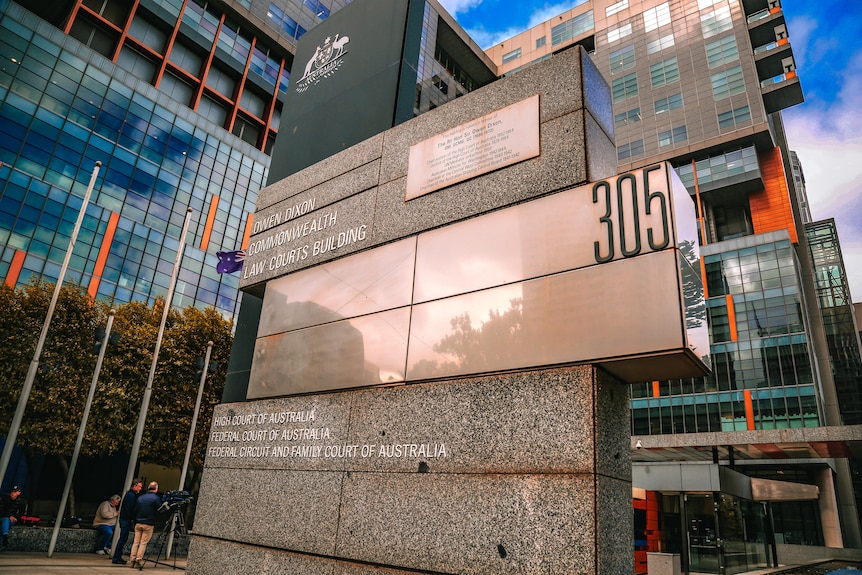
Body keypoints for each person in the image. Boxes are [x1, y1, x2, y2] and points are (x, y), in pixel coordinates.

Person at [129, 481, 160, 569]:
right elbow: (160, 509)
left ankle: (132, 559)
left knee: (136, 542)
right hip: (148, 523)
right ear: (156, 489)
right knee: (143, 543)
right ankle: (138, 559)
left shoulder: (140, 498)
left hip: (138, 522)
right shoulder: (156, 498)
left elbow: (135, 510)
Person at [112, 479, 143, 565]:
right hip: (126, 519)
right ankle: (116, 556)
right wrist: (133, 517)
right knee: (122, 538)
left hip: (125, 519)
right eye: (139, 486)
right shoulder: (131, 496)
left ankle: (117, 556)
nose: (140, 488)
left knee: (123, 538)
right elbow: (129, 509)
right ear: (135, 486)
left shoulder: (130, 494)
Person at [0, 485, 25, 551]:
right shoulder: (5, 499)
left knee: (5, 522)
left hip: (11, 520)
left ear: (18, 493)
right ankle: (5, 536)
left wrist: (15, 517)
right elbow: (1, 510)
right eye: (12, 492)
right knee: (5, 520)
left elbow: (21, 513)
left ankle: (4, 537)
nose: (12, 493)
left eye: (15, 492)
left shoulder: (21, 502)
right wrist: (9, 516)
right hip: (2, 518)